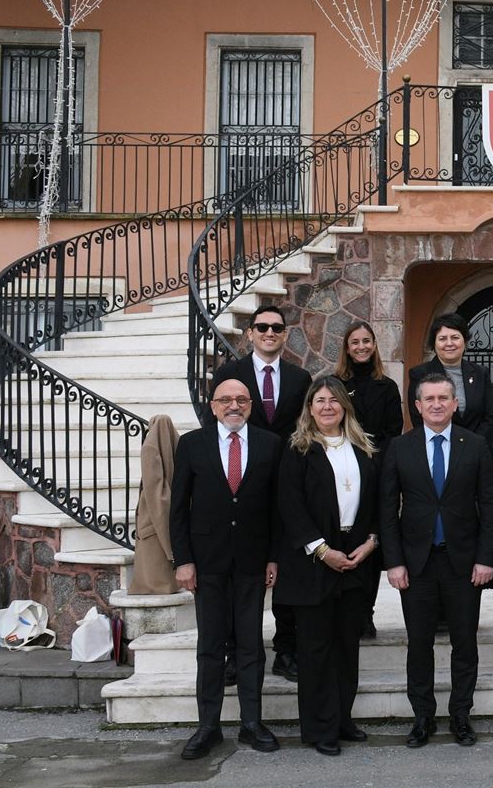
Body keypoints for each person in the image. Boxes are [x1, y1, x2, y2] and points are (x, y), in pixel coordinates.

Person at [379, 372, 493, 749]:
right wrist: (393, 561)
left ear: (455, 403)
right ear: (417, 406)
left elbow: (490, 505)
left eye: (443, 398)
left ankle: (461, 715)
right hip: (417, 564)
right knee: (419, 644)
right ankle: (423, 717)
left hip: (463, 563)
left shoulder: (475, 445)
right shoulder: (400, 447)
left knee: (465, 643)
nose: (436, 404)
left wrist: (485, 558)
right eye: (428, 399)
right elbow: (386, 509)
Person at [170, 379, 282, 760]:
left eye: (241, 399)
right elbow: (178, 508)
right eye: (226, 400)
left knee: (251, 646)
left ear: (250, 404)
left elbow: (276, 507)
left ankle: (252, 723)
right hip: (207, 563)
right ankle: (208, 726)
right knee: (210, 647)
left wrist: (273, 556)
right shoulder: (191, 445)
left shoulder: (269, 444)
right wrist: (183, 560)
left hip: (252, 561)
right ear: (214, 406)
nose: (234, 405)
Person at [206, 304, 312, 685]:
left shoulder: (300, 378)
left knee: (288, 569)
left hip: (287, 483)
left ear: (285, 334)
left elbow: (307, 429)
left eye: (277, 328)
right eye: (262, 327)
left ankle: (286, 649)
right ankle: (235, 653)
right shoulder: (229, 375)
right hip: (242, 485)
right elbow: (214, 426)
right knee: (240, 573)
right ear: (250, 333)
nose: (270, 333)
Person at [275, 376, 379, 757]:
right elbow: (290, 506)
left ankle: (342, 719)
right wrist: (321, 550)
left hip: (355, 556)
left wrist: (372, 541)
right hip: (314, 561)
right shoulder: (298, 449)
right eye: (319, 401)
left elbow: (376, 500)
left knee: (347, 647)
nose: (327, 407)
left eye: (333, 400)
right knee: (316, 650)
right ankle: (320, 728)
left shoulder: (364, 448)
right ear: (309, 408)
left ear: (344, 407)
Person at [335, 320, 404, 639]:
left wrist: (374, 461)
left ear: (374, 345)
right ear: (347, 348)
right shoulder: (335, 384)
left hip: (375, 471)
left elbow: (393, 430)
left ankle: (366, 612)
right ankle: (343, 609)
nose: (361, 346)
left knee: (370, 541)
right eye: (355, 342)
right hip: (340, 470)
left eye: (366, 341)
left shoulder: (387, 386)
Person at [407, 313, 493, 451]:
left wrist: (473, 444)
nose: (449, 343)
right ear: (434, 343)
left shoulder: (480, 373)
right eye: (442, 338)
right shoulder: (419, 374)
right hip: (436, 448)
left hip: (475, 450)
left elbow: (490, 416)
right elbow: (418, 417)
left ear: (464, 341)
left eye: (455, 337)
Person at [129, 414, 180, 595]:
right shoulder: (175, 444)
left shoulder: (150, 447)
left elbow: (153, 487)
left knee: (154, 555)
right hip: (160, 507)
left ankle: (154, 585)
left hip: (152, 509)